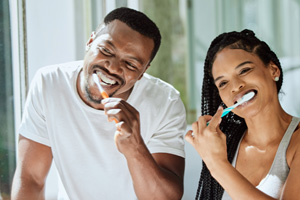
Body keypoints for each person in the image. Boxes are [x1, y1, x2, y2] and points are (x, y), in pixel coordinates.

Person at [11, 7, 186, 200]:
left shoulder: (166, 102)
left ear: (143, 72)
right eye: (106, 50)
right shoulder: (49, 83)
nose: (112, 67)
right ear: (90, 41)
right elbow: (31, 178)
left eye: (131, 64)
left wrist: (135, 147)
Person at [185, 29, 300, 199]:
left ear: (273, 70)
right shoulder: (223, 145)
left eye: (244, 70)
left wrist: (217, 164)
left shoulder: (296, 143)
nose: (235, 86)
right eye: (223, 82)